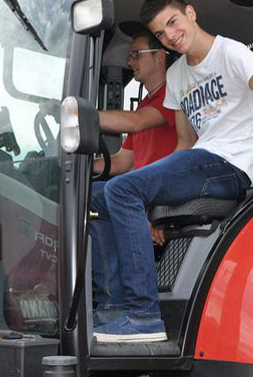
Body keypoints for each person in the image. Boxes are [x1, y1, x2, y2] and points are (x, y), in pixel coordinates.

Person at [92, 0, 253, 343]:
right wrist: (152, 201)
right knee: (101, 195)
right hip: (200, 160)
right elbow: (183, 143)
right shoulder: (179, 74)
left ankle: (143, 316)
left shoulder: (231, 54)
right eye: (162, 33)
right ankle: (113, 306)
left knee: (121, 189)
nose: (170, 35)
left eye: (173, 22)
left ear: (191, 13)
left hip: (231, 167)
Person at [90, 29, 177, 331]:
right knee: (90, 194)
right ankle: (111, 303)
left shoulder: (172, 96)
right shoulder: (144, 104)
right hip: (138, 192)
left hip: (160, 194)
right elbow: (123, 161)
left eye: (136, 54)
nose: (130, 62)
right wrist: (82, 166)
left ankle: (125, 307)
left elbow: (135, 123)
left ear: (160, 56)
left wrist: (82, 115)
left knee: (109, 194)